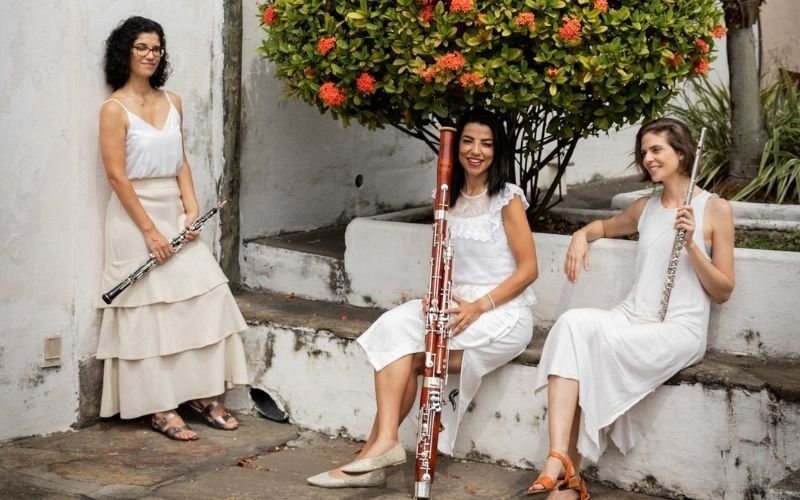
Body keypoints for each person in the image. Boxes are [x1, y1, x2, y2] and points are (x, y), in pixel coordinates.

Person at [307, 108, 540, 488]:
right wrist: (436, 295)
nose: (476, 151)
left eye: (486, 144)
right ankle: (383, 445)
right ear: (456, 146)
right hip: (456, 305)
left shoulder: (507, 198)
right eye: (468, 141)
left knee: (412, 361)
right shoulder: (445, 197)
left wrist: (479, 306)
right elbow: (451, 263)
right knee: (392, 328)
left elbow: (528, 270)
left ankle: (370, 459)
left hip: (501, 312)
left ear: (498, 151)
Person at [528, 117, 735, 499]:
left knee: (593, 347)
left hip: (679, 329)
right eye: (644, 152)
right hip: (632, 316)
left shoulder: (715, 209)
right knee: (572, 325)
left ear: (681, 152)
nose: (648, 158)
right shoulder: (645, 208)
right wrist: (580, 235)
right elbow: (604, 227)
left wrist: (691, 244)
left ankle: (570, 477)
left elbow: (723, 290)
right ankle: (559, 459)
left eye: (656, 149)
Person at [96, 16, 249, 441]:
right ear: (125, 52)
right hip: (134, 216)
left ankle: (200, 395)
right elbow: (116, 176)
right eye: (142, 47)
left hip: (173, 209)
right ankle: (159, 407)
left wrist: (191, 208)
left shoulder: (173, 100)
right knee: (149, 314)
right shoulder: (114, 109)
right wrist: (150, 231)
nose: (150, 55)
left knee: (205, 297)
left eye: (156, 48)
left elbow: (181, 160)